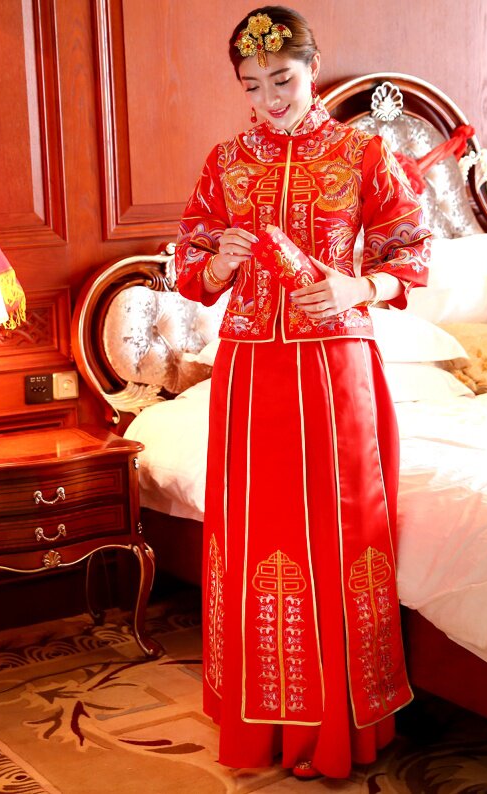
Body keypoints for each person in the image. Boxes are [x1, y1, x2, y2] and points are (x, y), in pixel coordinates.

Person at [175, 5, 431, 780]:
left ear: (313, 68)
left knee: (342, 531)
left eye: (282, 79)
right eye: (252, 85)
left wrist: (358, 286)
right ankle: (265, 726)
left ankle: (339, 728)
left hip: (336, 366)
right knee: (256, 535)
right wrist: (220, 263)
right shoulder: (226, 162)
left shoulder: (363, 152)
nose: (269, 99)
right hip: (250, 372)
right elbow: (190, 266)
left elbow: (412, 249)